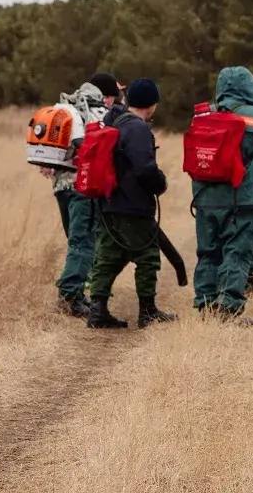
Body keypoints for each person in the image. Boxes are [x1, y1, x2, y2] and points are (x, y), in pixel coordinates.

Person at [192, 67, 253, 326]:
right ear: (251, 87)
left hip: (206, 196)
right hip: (244, 196)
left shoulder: (203, 115)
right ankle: (228, 307)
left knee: (208, 251)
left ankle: (205, 304)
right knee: (237, 252)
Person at [86, 78, 175, 329]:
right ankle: (148, 311)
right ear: (152, 103)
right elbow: (144, 169)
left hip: (109, 201)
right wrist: (161, 183)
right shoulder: (137, 128)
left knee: (108, 256)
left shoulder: (116, 121)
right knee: (147, 256)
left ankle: (97, 311)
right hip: (132, 205)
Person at [42, 79, 112, 317]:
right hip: (81, 187)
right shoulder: (85, 112)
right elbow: (83, 145)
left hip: (61, 186)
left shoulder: (63, 110)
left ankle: (76, 292)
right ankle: (70, 296)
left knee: (75, 240)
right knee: (82, 243)